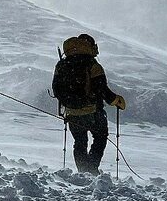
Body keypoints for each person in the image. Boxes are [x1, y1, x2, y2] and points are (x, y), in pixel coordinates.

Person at [51, 34, 127, 174]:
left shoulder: (61, 64)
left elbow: (56, 89)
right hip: (93, 111)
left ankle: (83, 171)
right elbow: (102, 90)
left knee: (79, 142)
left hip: (71, 112)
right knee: (100, 137)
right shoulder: (92, 65)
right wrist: (117, 101)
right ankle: (91, 169)